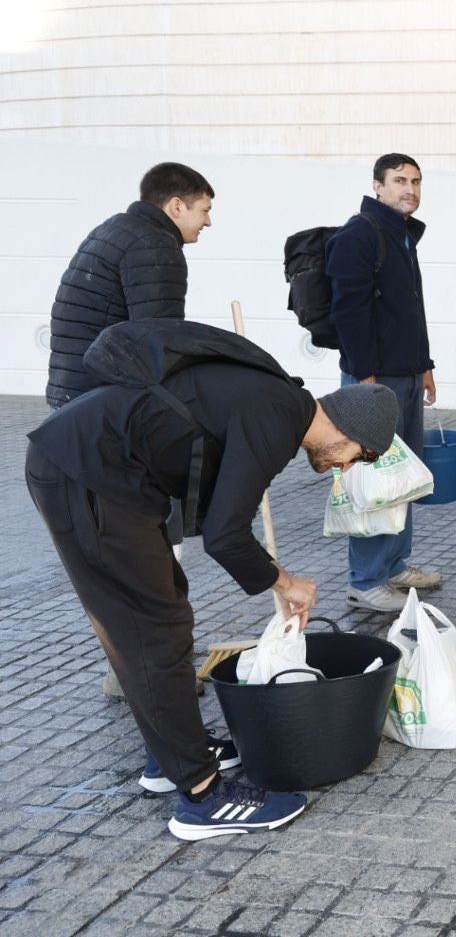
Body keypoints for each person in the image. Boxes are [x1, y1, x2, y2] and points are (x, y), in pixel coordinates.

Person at [25, 336, 399, 841]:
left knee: (167, 614)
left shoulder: (278, 407)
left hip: (110, 477)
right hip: (87, 475)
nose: (349, 466)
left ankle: (171, 755)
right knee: (151, 632)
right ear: (347, 429)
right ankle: (201, 798)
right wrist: (286, 582)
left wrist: (275, 576)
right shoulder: (275, 417)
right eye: (362, 454)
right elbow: (225, 535)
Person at [46, 161, 215, 698]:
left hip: (79, 409)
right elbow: (154, 346)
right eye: (204, 210)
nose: (207, 223)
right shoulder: (155, 247)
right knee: (142, 548)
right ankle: (145, 675)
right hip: (106, 418)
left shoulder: (116, 230)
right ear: (176, 206)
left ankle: (130, 669)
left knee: (120, 547)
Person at [327, 153, 440, 612]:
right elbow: (347, 311)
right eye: (398, 181)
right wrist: (365, 377)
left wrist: (425, 364)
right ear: (377, 186)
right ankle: (366, 580)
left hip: (406, 373)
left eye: (415, 181)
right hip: (373, 380)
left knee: (401, 477)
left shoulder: (402, 234)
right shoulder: (360, 234)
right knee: (373, 478)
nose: (408, 189)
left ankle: (394, 566)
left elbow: (410, 308)